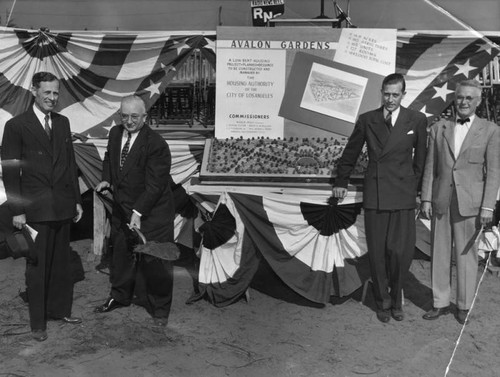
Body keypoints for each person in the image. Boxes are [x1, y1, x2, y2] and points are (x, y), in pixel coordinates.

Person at [332, 73, 427, 323]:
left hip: (402, 196)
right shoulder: (367, 119)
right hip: (375, 194)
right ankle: (383, 301)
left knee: (400, 253)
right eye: (387, 93)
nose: (390, 99)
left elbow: (421, 162)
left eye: (396, 94)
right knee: (377, 252)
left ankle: (397, 299)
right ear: (381, 93)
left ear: (403, 95)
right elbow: (350, 153)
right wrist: (341, 182)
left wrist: (413, 189)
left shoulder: (416, 120)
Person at [1, 71, 83, 342]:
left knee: (61, 265)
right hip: (34, 211)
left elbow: (70, 165)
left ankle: (60, 310)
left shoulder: (63, 123)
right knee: (37, 267)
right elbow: (10, 172)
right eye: (47, 92)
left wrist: (77, 201)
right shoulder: (16, 125)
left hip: (62, 206)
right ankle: (38, 324)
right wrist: (17, 210)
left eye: (56, 93)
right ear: (34, 91)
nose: (52, 98)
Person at [421, 79, 500, 325]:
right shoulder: (439, 128)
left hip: (471, 205)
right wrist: (425, 197)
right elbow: (430, 166)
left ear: (478, 101)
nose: (463, 102)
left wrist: (488, 206)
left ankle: (464, 305)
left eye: (469, 98)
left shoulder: (490, 130)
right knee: (440, 253)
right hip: (441, 201)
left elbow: (495, 171)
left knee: (466, 257)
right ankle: (440, 302)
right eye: (460, 97)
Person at [94, 95, 175, 327]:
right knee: (120, 255)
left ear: (145, 117)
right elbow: (110, 158)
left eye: (134, 117)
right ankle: (119, 296)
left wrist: (138, 213)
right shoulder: (115, 133)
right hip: (122, 207)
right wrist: (107, 180)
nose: (129, 121)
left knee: (156, 261)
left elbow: (155, 186)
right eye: (125, 116)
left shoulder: (156, 144)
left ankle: (160, 309)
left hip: (152, 212)